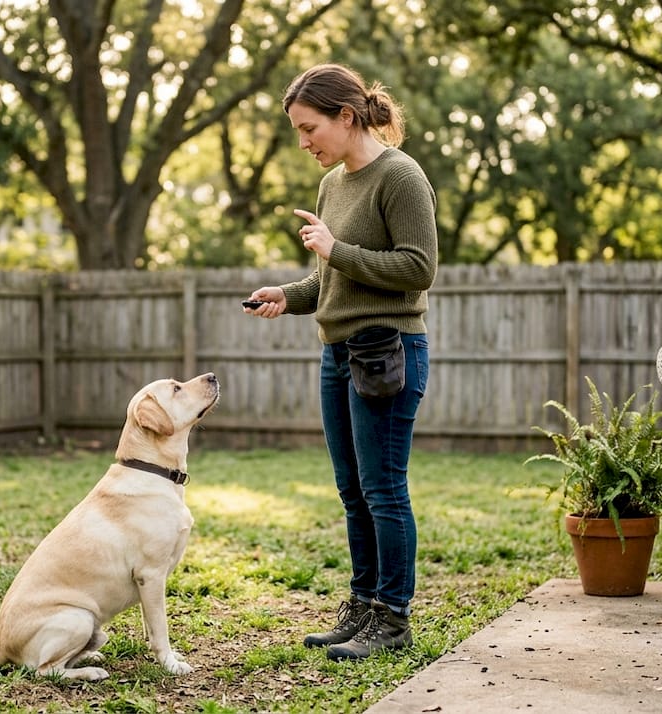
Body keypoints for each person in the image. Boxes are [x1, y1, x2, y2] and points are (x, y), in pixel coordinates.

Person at [243, 63, 437, 661]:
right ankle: (362, 605)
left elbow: (418, 269)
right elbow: (333, 277)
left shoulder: (400, 177)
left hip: (387, 352)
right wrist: (291, 295)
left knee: (383, 489)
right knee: (352, 490)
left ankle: (394, 617)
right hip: (337, 351)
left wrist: (337, 249)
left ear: (345, 117)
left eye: (309, 129)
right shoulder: (334, 185)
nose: (304, 143)